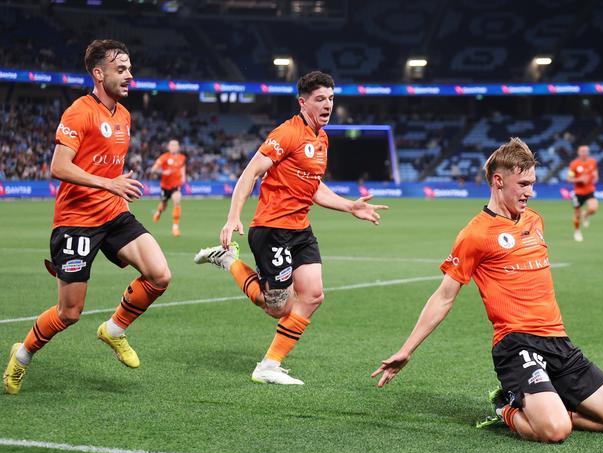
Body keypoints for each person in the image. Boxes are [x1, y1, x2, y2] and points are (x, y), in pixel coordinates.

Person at [372, 138, 603, 443]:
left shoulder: (535, 220)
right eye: (523, 183)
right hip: (517, 344)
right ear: (498, 181)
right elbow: (444, 296)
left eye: (533, 183)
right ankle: (506, 407)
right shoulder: (475, 234)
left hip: (558, 342)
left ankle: (547, 404)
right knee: (555, 431)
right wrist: (407, 350)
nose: (530, 191)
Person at [194, 71, 387, 385]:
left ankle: (268, 365)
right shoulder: (287, 133)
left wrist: (350, 205)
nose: (328, 105)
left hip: (300, 230)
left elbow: (314, 187)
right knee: (277, 307)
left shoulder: (321, 138)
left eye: (331, 99)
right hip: (272, 229)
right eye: (320, 99)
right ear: (303, 102)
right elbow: (250, 173)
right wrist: (233, 217)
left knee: (312, 295)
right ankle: (228, 260)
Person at [3, 40, 171, 395]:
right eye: (121, 69)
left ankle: (113, 330)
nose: (130, 75)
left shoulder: (124, 115)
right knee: (69, 313)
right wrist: (109, 183)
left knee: (160, 274)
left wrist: (114, 192)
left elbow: (106, 164)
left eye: (130, 68)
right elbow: (58, 166)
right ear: (99, 74)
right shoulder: (79, 112)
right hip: (76, 220)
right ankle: (23, 354)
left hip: (113, 215)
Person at [152, 139, 186, 237]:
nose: (173, 147)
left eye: (175, 145)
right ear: (168, 147)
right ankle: (159, 212)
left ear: (178, 147)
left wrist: (183, 176)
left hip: (176, 186)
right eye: (171, 145)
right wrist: (163, 172)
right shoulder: (164, 157)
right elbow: (153, 169)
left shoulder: (182, 157)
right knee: (164, 205)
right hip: (165, 186)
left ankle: (175, 227)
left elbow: (183, 167)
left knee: (177, 201)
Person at [567, 145, 599, 242]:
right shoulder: (574, 164)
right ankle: (577, 231)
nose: (584, 153)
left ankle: (585, 215)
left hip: (589, 191)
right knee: (577, 215)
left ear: (588, 152)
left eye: (586, 151)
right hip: (578, 193)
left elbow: (595, 173)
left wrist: (595, 177)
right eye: (582, 151)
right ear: (578, 152)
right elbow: (569, 179)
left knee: (593, 209)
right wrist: (579, 179)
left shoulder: (592, 162)